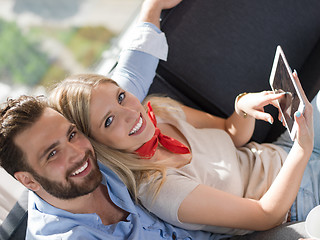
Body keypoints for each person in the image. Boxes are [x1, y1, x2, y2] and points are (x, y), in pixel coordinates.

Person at [1, 0, 223, 239]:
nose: (77, 152)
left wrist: (152, 8)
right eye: (52, 154)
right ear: (28, 181)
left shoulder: (99, 140)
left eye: (72, 134)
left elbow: (129, 78)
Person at [50, 60, 319, 236]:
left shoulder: (161, 110)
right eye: (109, 121)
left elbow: (230, 133)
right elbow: (265, 216)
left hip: (284, 152)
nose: (130, 114)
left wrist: (243, 108)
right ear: (99, 145)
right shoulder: (159, 189)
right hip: (293, 202)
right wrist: (303, 150)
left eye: (121, 97)